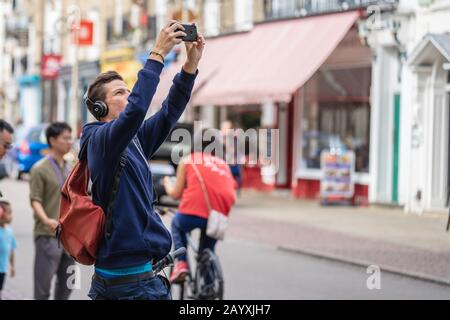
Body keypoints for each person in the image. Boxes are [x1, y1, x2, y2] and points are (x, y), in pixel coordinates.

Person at [81, 21, 205, 300]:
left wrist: (190, 66)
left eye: (127, 90)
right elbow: (137, 109)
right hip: (131, 285)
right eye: (119, 92)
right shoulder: (100, 140)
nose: (128, 96)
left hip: (137, 278)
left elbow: (169, 111)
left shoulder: (132, 140)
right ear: (100, 108)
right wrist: (157, 54)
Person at [163, 129, 237, 283]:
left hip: (193, 212)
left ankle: (181, 263)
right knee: (207, 252)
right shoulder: (223, 164)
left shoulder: (189, 160)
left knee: (177, 224)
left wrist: (166, 184)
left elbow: (176, 194)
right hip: (218, 215)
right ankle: (208, 289)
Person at [29, 122, 75, 300]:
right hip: (47, 235)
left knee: (67, 286)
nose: (69, 142)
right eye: (65, 138)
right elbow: (35, 200)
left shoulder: (69, 168)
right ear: (52, 140)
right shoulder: (39, 168)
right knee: (42, 288)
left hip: (68, 238)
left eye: (70, 138)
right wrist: (47, 220)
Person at [0, 201, 16, 300]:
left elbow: (12, 250)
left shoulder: (9, 231)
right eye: (9, 213)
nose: (11, 216)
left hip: (3, 269)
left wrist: (13, 266)